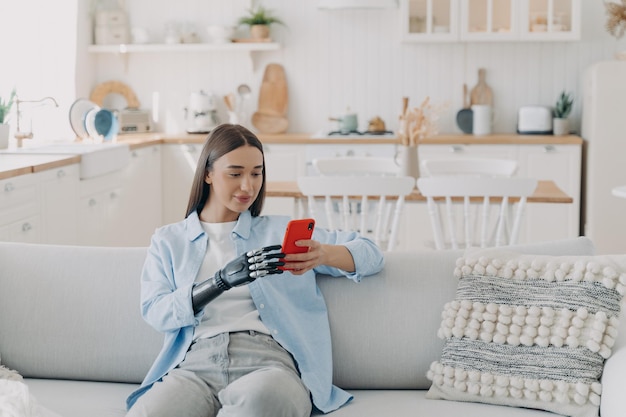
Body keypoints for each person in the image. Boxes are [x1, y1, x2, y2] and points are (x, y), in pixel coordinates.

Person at [126, 124, 384, 417]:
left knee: (262, 402)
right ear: (208, 173)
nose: (248, 186)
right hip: (194, 366)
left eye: (256, 173)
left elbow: (371, 254)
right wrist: (218, 282)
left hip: (268, 365)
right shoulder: (168, 240)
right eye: (235, 173)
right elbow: (155, 311)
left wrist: (324, 253)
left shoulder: (279, 232)